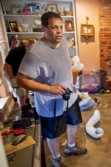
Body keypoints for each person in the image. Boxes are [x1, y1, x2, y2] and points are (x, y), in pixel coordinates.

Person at [16, 12, 87, 167]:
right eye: (55, 27)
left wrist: (72, 76)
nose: (60, 31)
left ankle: (71, 146)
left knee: (75, 123)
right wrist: (49, 88)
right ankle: (55, 158)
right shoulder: (35, 53)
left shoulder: (63, 42)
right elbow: (20, 79)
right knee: (53, 133)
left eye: (61, 27)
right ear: (44, 28)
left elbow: (62, 63)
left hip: (70, 96)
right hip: (50, 103)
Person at [4, 39, 36, 118]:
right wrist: (12, 78)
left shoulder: (32, 52)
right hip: (12, 73)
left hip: (22, 72)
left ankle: (26, 103)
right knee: (20, 92)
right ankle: (24, 112)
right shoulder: (16, 51)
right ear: (26, 46)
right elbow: (7, 65)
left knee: (27, 88)